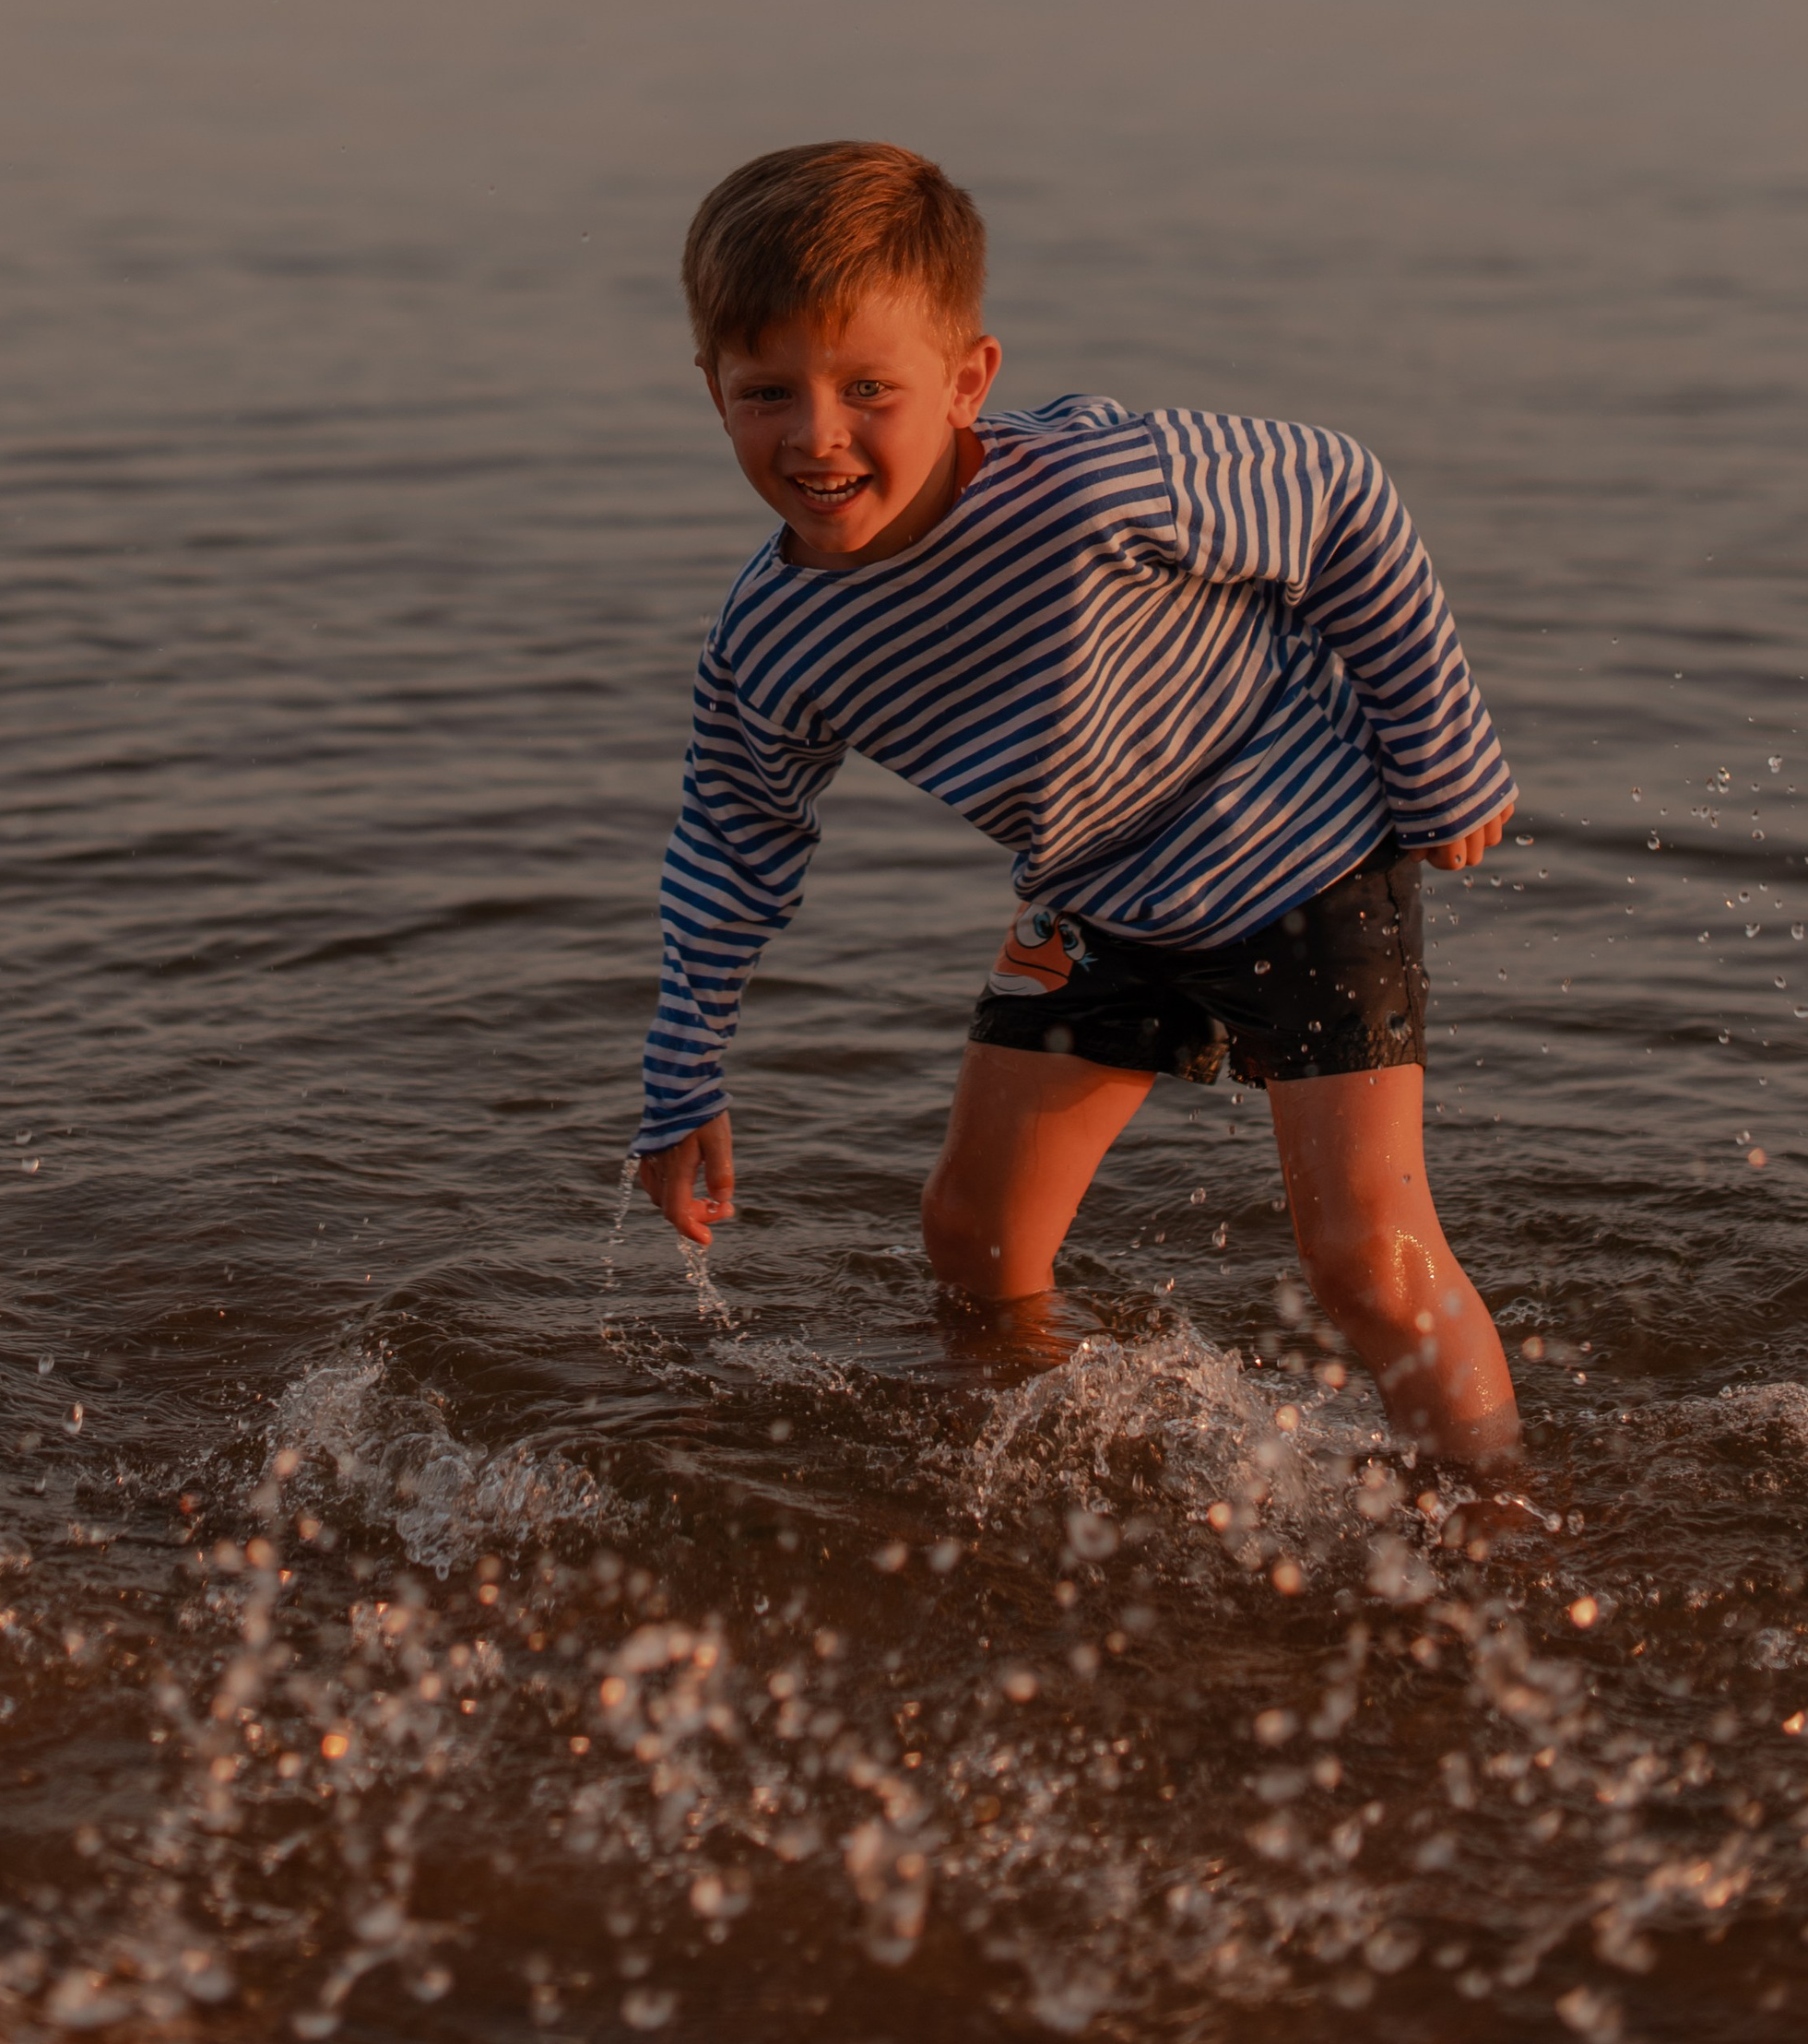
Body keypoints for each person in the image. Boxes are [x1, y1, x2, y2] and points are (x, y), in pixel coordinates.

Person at [632, 142, 1521, 1470]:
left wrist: (1438, 750)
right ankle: (1049, 1469)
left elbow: (1341, 495)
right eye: (769, 393)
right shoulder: (772, 642)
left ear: (967, 380)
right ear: (713, 391)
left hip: (1306, 861)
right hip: (1101, 901)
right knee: (973, 1236)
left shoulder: (1098, 486)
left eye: (869, 389)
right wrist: (681, 1073)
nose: (816, 436)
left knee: (1366, 1261)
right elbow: (732, 840)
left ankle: (1498, 1524)